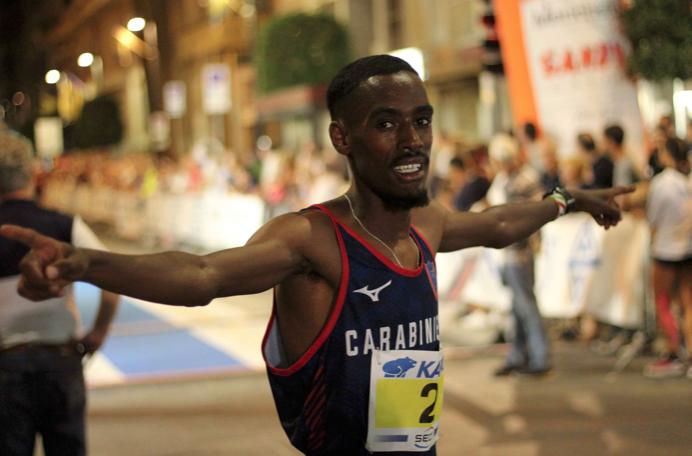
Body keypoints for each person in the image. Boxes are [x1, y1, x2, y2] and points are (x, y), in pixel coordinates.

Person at [1, 55, 629, 455]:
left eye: (422, 121)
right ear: (342, 138)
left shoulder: (426, 224)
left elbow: (495, 224)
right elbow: (200, 275)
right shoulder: (309, 239)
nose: (413, 141)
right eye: (386, 124)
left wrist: (567, 197)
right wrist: (85, 264)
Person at [0, 123, 120, 456]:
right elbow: (111, 281)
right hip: (60, 358)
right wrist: (98, 333)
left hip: (5, 364)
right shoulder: (63, 225)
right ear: (31, 173)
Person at [623, 137, 691, 378]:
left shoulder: (663, 183)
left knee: (662, 301)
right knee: (687, 303)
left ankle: (674, 352)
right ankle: (688, 354)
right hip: (686, 248)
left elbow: (653, 218)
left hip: (666, 249)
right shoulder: (686, 182)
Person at [484, 133, 551, 376]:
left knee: (525, 305)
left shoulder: (525, 180)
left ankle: (540, 357)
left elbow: (534, 214)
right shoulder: (505, 179)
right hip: (507, 252)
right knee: (516, 306)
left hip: (518, 252)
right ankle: (519, 355)